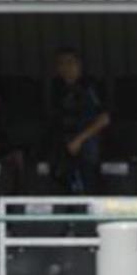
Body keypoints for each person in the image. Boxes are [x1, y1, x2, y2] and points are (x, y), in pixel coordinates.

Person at [48, 48, 109, 195]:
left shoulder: (89, 86)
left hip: (87, 148)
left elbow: (104, 119)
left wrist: (79, 140)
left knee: (88, 191)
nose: (65, 68)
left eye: (70, 63)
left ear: (79, 65)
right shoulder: (57, 88)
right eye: (61, 64)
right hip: (64, 150)